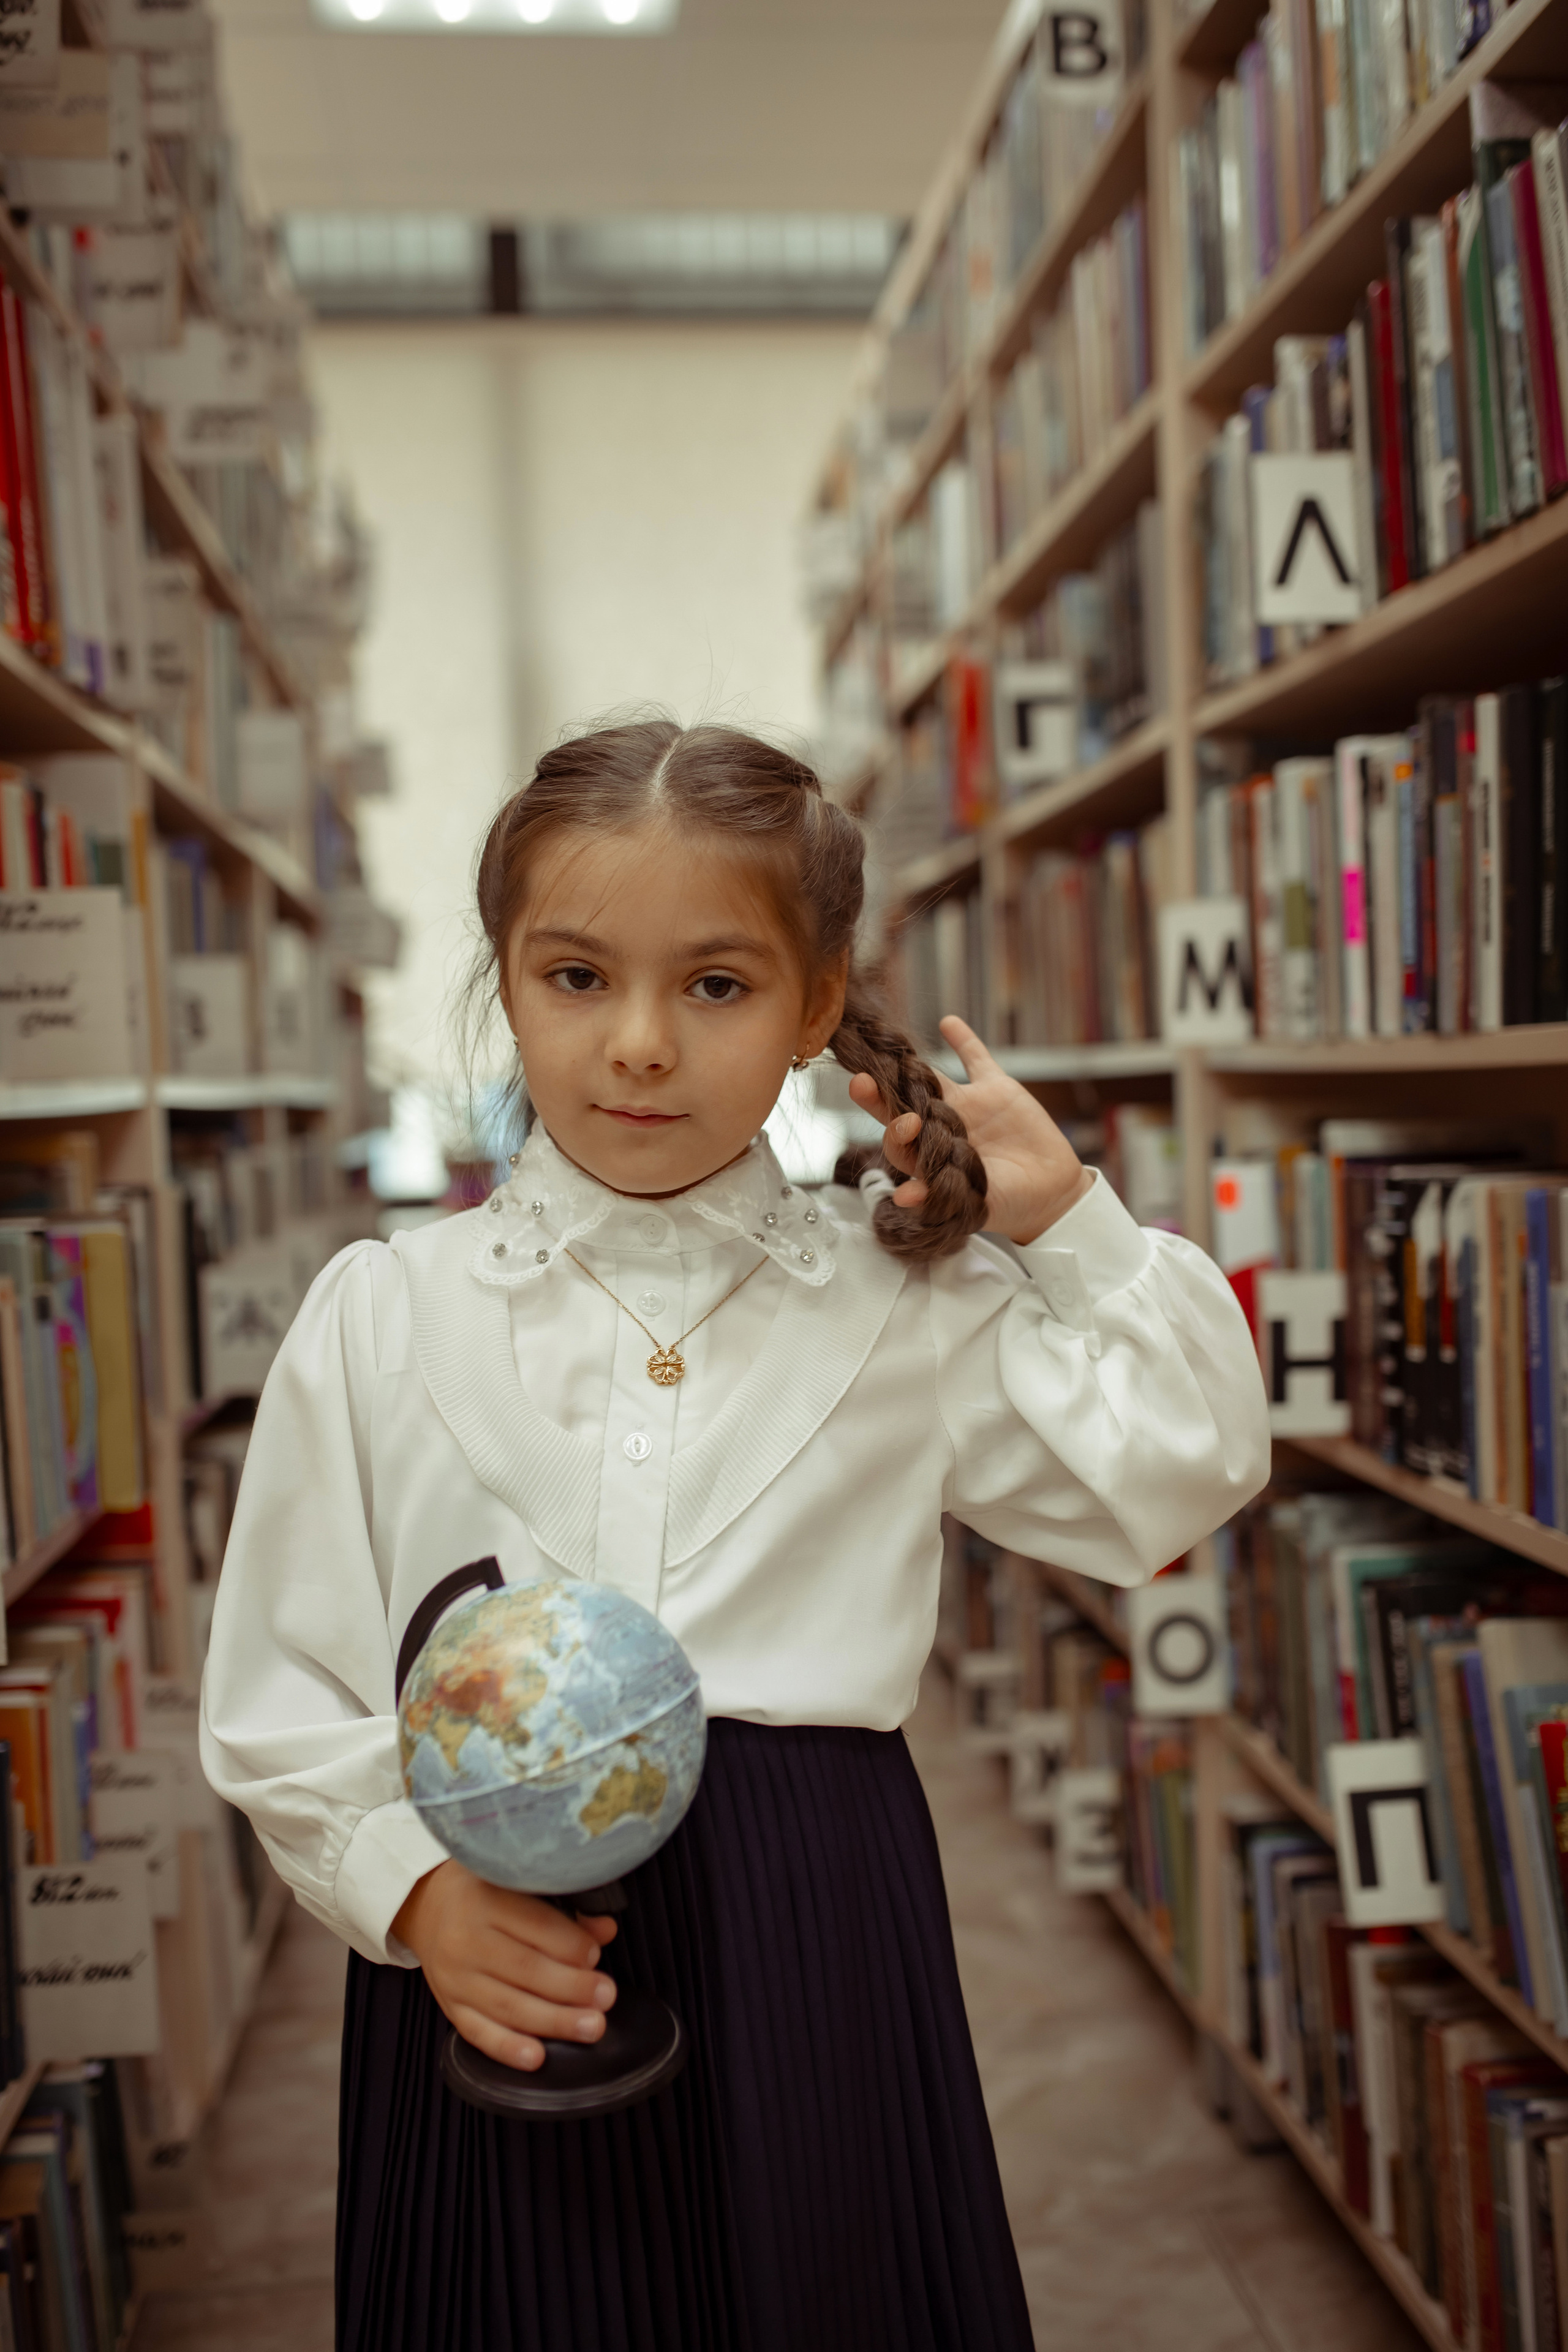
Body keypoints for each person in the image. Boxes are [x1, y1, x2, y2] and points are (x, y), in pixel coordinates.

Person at [201, 718, 1271, 2352]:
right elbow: (281, 1678)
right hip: (492, 1921)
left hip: (813, 1916)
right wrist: (411, 1895)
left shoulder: (905, 1290)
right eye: (575, 978)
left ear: (817, 1004)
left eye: (714, 986)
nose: (638, 1044)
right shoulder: (381, 1311)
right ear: (504, 977)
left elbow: (1177, 1472)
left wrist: (1070, 1222)